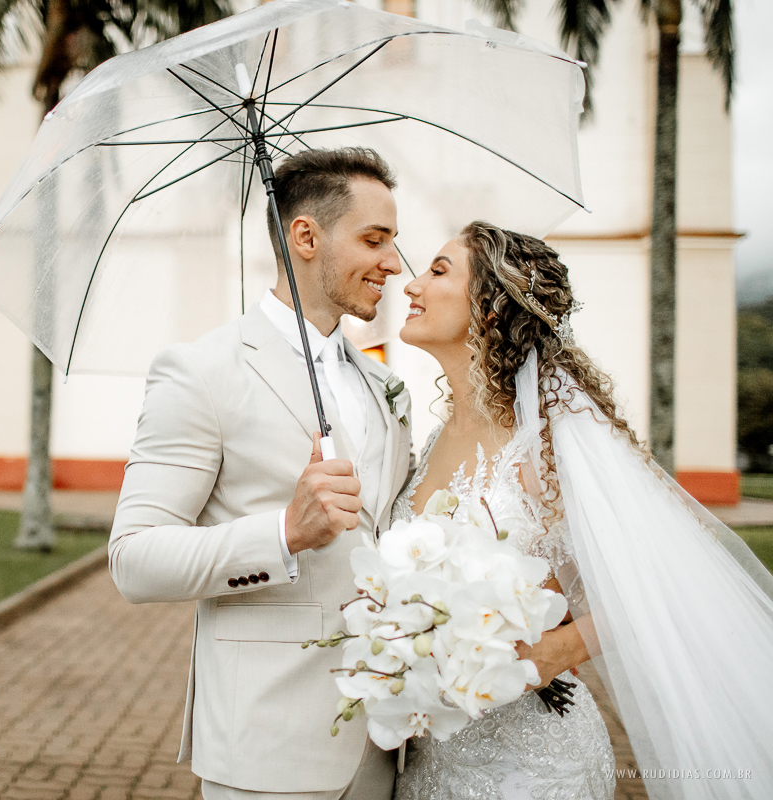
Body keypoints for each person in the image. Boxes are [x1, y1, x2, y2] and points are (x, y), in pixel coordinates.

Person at [391, 220, 773, 800]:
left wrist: (557, 651)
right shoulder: (437, 434)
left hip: (531, 763)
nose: (411, 284)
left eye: (438, 271)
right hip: (431, 753)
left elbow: (667, 573)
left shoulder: (549, 437)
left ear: (491, 308)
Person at [108, 147, 413, 800]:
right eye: (375, 239)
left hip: (385, 743)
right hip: (267, 746)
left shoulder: (386, 385)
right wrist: (284, 533)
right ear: (305, 237)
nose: (394, 262)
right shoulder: (201, 372)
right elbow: (133, 559)